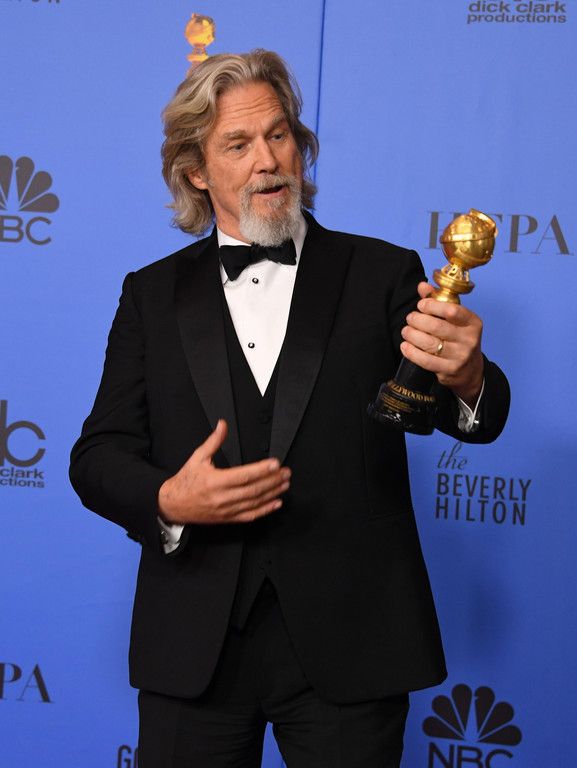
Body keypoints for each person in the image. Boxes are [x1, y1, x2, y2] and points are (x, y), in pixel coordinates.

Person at [69, 50, 509, 768]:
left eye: (279, 135)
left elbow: (465, 414)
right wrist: (168, 498)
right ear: (196, 171)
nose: (268, 161)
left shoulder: (381, 273)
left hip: (352, 639)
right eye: (238, 144)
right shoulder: (150, 295)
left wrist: (466, 376)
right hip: (194, 642)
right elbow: (97, 456)